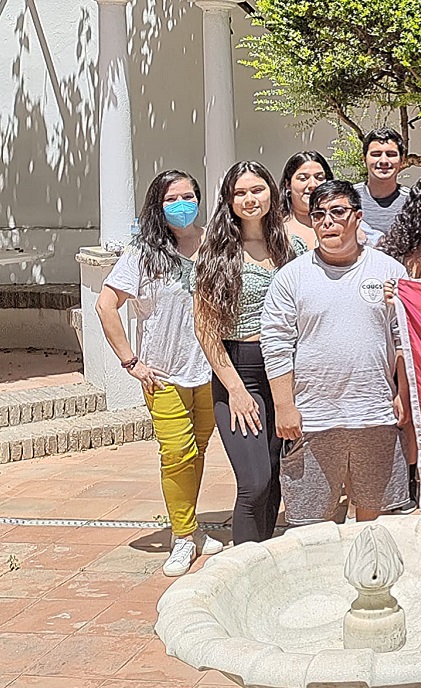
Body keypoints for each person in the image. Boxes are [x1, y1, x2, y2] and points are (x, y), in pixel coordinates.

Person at [261, 180, 413, 526]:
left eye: (338, 212)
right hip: (314, 417)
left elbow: (402, 337)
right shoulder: (291, 277)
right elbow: (276, 344)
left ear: (357, 217)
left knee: (374, 520)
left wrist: (403, 394)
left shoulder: (390, 271)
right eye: (319, 215)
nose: (327, 221)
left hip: (374, 413)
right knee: (313, 523)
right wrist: (285, 406)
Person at [96, 170, 222, 576]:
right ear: (157, 204)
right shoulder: (142, 253)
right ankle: (183, 537)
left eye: (188, 196)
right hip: (163, 373)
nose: (182, 204)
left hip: (210, 370)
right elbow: (105, 305)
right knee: (176, 453)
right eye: (172, 199)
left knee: (197, 452)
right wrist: (131, 362)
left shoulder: (214, 243)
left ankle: (190, 526)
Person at [194, 161, 306, 544]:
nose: (249, 199)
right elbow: (205, 330)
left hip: (285, 373)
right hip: (239, 372)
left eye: (257, 189)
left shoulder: (295, 247)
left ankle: (263, 564)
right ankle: (240, 566)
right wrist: (238, 391)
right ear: (229, 200)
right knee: (254, 481)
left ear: (272, 192)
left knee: (275, 476)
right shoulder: (216, 253)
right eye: (240, 192)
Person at [353, 128, 410, 246]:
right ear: (364, 159)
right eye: (376, 154)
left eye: (391, 154)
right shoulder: (348, 198)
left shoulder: (412, 201)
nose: (384, 160)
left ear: (402, 161)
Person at [280, 151, 333, 250]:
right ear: (288, 184)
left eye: (319, 178)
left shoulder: (342, 222)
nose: (313, 185)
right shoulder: (277, 230)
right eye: (303, 178)